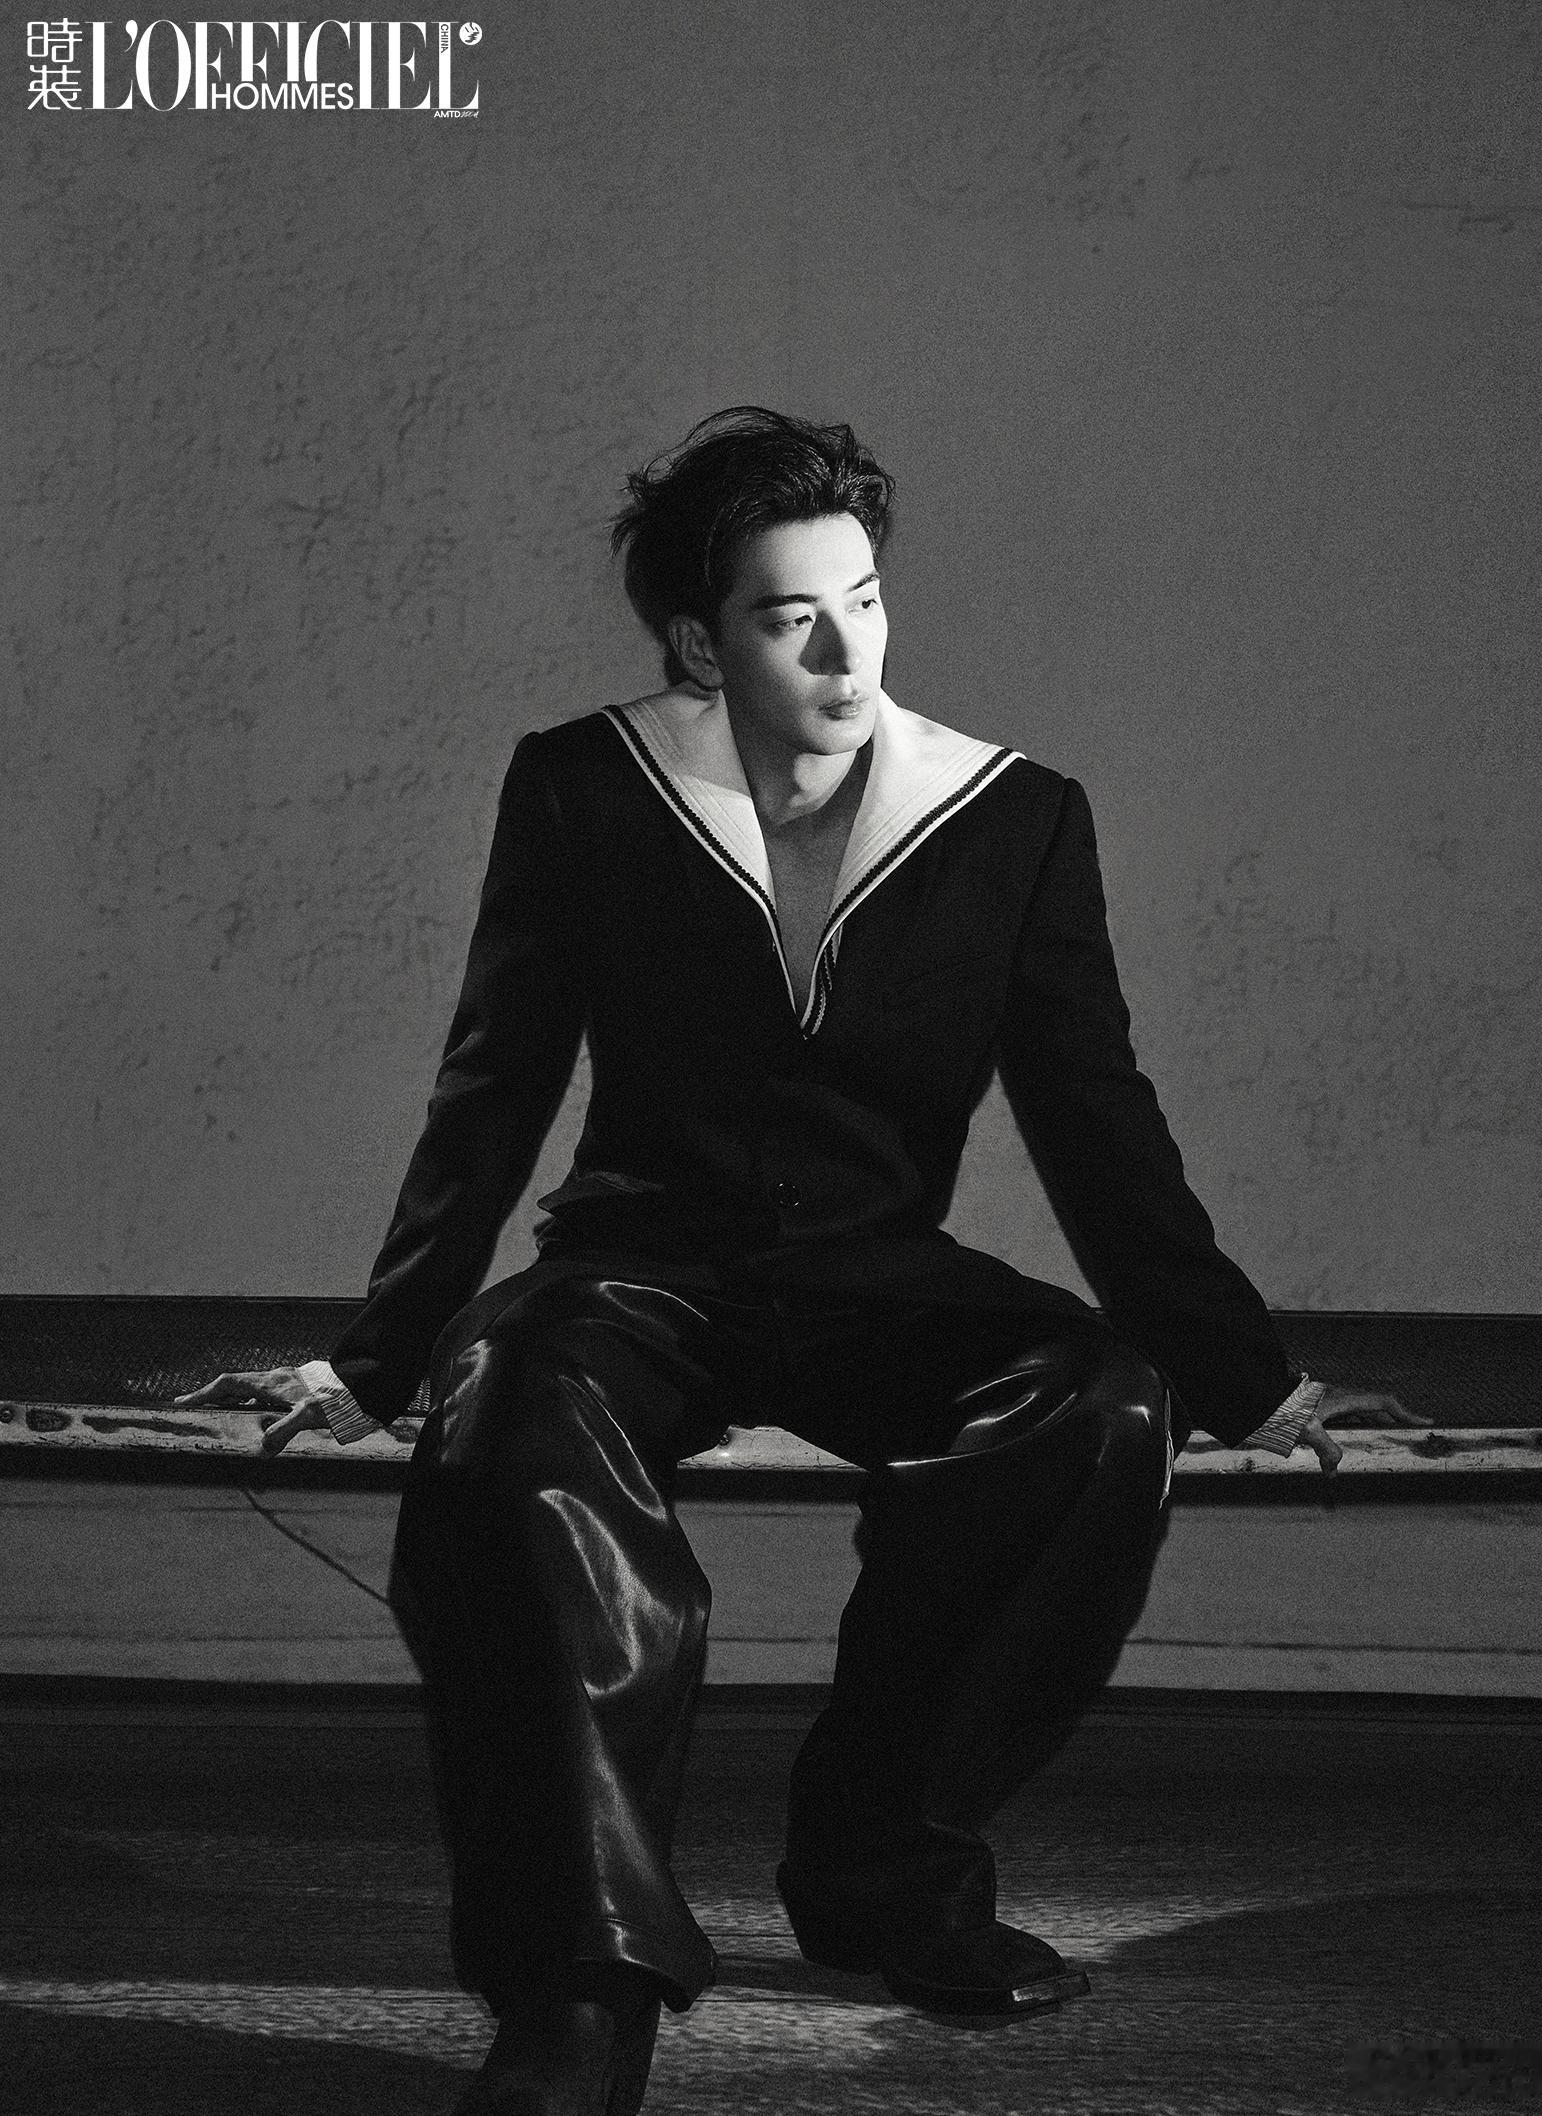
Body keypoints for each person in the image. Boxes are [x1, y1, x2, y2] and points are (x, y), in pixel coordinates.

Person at [182, 407, 1408, 2116]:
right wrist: (378, 1353)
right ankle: (580, 1985)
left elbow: (1097, 1118)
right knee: (507, 1430)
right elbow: (496, 1079)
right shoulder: (584, 786)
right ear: (701, 642)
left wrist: (1245, 1380)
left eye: (867, 601)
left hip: (875, 1278)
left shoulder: (1014, 816)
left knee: (1099, 1412)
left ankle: (885, 1870)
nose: (847, 652)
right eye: (790, 618)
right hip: (640, 1268)